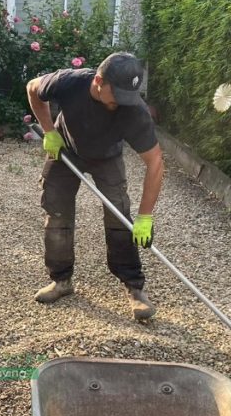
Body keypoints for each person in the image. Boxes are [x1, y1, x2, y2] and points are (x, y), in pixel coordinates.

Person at [26, 52, 164, 320]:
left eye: (128, 96)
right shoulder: (69, 82)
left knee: (119, 217)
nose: (121, 103)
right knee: (57, 213)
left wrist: (145, 215)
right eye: (117, 95)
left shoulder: (133, 109)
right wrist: (50, 132)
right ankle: (61, 280)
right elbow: (32, 88)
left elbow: (155, 162)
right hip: (66, 150)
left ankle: (134, 288)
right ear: (99, 81)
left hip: (107, 157)